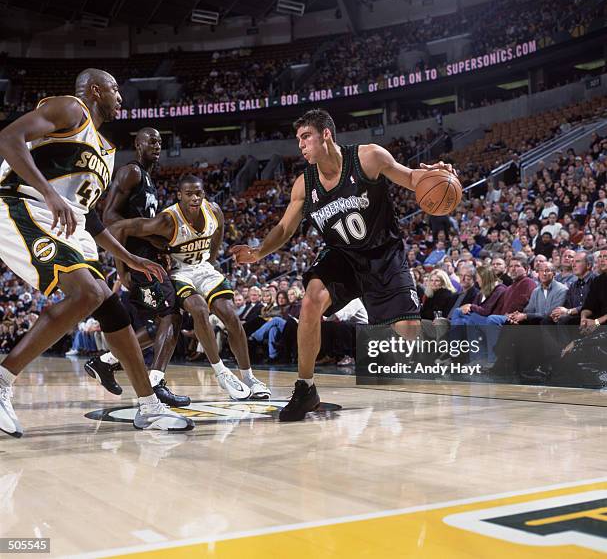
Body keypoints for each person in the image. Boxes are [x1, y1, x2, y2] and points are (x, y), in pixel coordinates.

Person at [0, 69, 192, 436]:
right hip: (19, 204)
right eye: (115, 89)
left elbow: (89, 219)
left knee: (110, 306)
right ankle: (2, 381)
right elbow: (9, 138)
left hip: (65, 223)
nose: (121, 97)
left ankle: (148, 406)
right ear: (94, 90)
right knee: (87, 293)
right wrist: (51, 193)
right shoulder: (71, 109)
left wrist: (130, 257)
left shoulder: (105, 151)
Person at [232, 108, 455, 421]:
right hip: (343, 257)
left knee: (409, 330)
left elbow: (410, 177)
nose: (301, 144)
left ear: (326, 134)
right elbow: (284, 228)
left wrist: (439, 176)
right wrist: (259, 252)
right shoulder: (303, 184)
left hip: (383, 254)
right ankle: (306, 388)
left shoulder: (368, 158)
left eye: (306, 136)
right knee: (311, 300)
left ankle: (435, 333)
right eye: (298, 139)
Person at [110, 173, 270, 400]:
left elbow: (219, 231)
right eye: (189, 194)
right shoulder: (167, 220)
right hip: (179, 272)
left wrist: (212, 260)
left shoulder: (213, 210)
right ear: (179, 196)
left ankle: (249, 377)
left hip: (203, 268)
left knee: (231, 316)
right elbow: (119, 229)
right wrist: (122, 269)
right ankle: (221, 372)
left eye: (199, 193)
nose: (195, 198)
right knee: (199, 308)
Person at [85, 127, 188, 406]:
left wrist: (159, 247)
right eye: (151, 140)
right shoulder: (131, 172)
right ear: (137, 143)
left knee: (162, 327)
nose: (157, 144)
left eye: (160, 140)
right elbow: (109, 221)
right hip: (137, 261)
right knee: (172, 317)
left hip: (147, 259)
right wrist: (122, 268)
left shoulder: (149, 179)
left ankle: (105, 362)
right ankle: (156, 383)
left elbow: (137, 226)